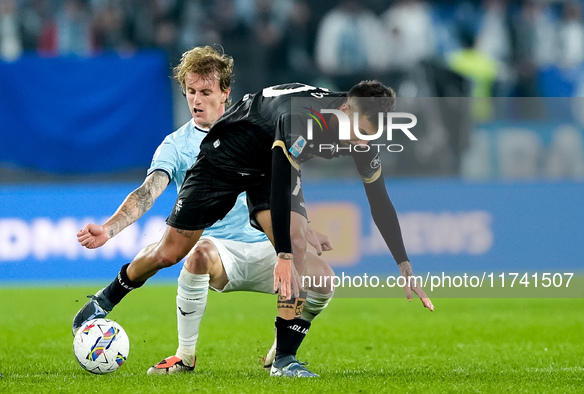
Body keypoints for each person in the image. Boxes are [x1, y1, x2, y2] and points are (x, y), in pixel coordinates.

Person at [74, 79, 434, 378]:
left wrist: (404, 264)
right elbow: (281, 175)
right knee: (171, 252)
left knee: (300, 248)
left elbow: (379, 200)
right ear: (344, 112)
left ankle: (284, 359)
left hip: (268, 161)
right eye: (357, 134)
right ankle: (107, 298)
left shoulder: (361, 133)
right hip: (226, 156)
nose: (359, 144)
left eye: (368, 138)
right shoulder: (305, 122)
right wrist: (283, 254)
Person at [74, 46, 334, 377]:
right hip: (220, 255)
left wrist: (304, 226)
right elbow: (148, 191)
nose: (197, 100)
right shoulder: (176, 145)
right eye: (191, 91)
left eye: (206, 92)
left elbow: (282, 186)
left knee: (324, 279)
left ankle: (283, 353)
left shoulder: (257, 129)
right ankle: (183, 355)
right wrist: (109, 229)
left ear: (225, 93)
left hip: (267, 251)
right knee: (194, 253)